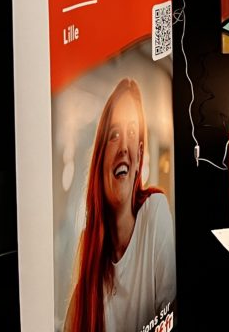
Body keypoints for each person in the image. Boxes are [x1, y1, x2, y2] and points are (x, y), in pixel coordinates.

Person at [64, 78, 176, 332]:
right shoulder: (90, 249)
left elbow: (170, 316)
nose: (124, 147)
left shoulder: (155, 212)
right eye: (114, 135)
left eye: (132, 133)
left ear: (139, 156)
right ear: (100, 158)